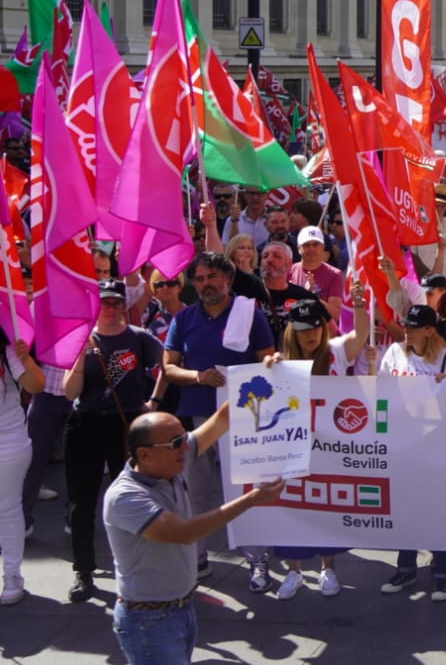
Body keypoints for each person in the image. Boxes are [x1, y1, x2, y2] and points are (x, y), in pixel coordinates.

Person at [102, 404, 284, 665]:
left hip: (180, 609)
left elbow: (223, 419)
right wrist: (252, 499)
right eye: (177, 442)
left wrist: (266, 373)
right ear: (144, 454)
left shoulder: (168, 461)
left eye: (184, 437)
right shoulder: (126, 497)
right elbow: (184, 533)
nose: (186, 447)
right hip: (149, 621)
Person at [160, 252, 276, 590]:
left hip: (243, 417)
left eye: (211, 277)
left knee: (246, 490)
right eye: (198, 279)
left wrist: (271, 364)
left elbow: (266, 358)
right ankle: (195, 560)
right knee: (195, 490)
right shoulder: (183, 319)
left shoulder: (248, 313)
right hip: (197, 416)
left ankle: (258, 559)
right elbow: (169, 368)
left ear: (227, 278)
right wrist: (197, 377)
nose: (205, 284)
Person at [63, 280, 166, 603]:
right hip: (85, 425)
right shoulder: (83, 339)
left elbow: (168, 365)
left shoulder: (138, 338)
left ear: (124, 305)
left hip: (124, 427)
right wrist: (80, 356)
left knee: (133, 500)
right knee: (82, 503)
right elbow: (70, 392)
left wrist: (154, 402)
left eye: (114, 302)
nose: (109, 308)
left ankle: (139, 568)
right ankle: (84, 570)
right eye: (103, 302)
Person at [268, 296, 370, 599]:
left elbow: (360, 334)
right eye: (302, 329)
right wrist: (268, 365)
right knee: (293, 507)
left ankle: (328, 568)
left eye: (315, 327)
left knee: (327, 506)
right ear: (292, 332)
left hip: (331, 448)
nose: (310, 334)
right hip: (295, 447)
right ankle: (294, 571)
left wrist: (361, 305)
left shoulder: (336, 352)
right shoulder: (282, 360)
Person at [379, 305, 446, 600]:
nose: (407, 330)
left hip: (437, 447)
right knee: (406, 510)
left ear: (430, 330)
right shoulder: (393, 353)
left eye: (414, 326)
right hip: (402, 445)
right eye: (406, 325)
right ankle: (406, 568)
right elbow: (382, 395)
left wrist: (445, 389)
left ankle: (443, 574)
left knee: (438, 510)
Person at [0, 318, 42, 605]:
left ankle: (12, 575)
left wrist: (25, 357)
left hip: (8, 443)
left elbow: (36, 385)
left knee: (7, 509)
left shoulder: (8, 351)